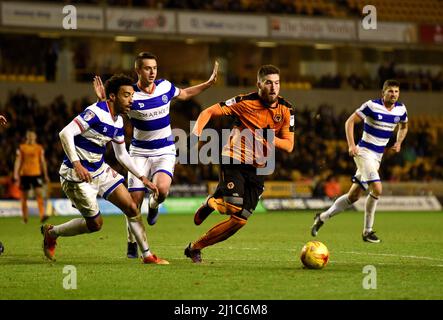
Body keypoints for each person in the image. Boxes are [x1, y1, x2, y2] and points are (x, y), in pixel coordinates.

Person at [94, 52, 219, 259]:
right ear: (138, 70)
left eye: (155, 68)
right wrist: (102, 99)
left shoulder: (165, 87)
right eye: (147, 68)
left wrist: (208, 83)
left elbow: (185, 94)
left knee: (161, 190)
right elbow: (110, 111)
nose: (152, 72)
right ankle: (131, 242)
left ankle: (153, 206)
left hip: (164, 150)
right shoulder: (129, 95)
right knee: (133, 203)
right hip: (138, 153)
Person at [41, 74, 169, 265]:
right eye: (126, 95)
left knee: (132, 207)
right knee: (95, 225)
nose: (131, 100)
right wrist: (77, 163)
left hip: (99, 170)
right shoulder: (94, 113)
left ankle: (147, 255)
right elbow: (65, 133)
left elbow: (122, 155)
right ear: (112, 97)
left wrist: (143, 178)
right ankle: (52, 233)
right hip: (76, 176)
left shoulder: (118, 121)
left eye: (132, 96)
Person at [184, 64, 295, 263]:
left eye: (277, 83)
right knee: (233, 207)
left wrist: (266, 139)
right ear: (259, 84)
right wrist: (196, 134)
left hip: (259, 167)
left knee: (239, 220)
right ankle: (212, 201)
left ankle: (196, 247)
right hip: (234, 159)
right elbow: (208, 112)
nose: (273, 87)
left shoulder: (286, 110)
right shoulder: (243, 102)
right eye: (268, 83)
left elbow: (288, 146)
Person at [311, 79, 408, 243]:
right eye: (390, 91)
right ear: (382, 93)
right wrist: (351, 145)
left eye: (396, 91)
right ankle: (367, 231)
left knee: (353, 196)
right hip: (364, 152)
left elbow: (404, 126)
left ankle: (322, 217)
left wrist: (399, 142)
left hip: (377, 157)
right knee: (377, 188)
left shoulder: (401, 109)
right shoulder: (371, 105)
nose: (394, 94)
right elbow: (349, 122)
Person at [13, 130, 50, 223]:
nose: (31, 137)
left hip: (36, 174)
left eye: (32, 136)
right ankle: (25, 218)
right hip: (24, 175)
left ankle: (42, 216)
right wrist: (16, 174)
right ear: (27, 137)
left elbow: (42, 162)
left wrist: (45, 175)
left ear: (35, 137)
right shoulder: (22, 147)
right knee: (24, 197)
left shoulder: (39, 148)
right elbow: (18, 161)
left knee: (39, 194)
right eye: (29, 136)